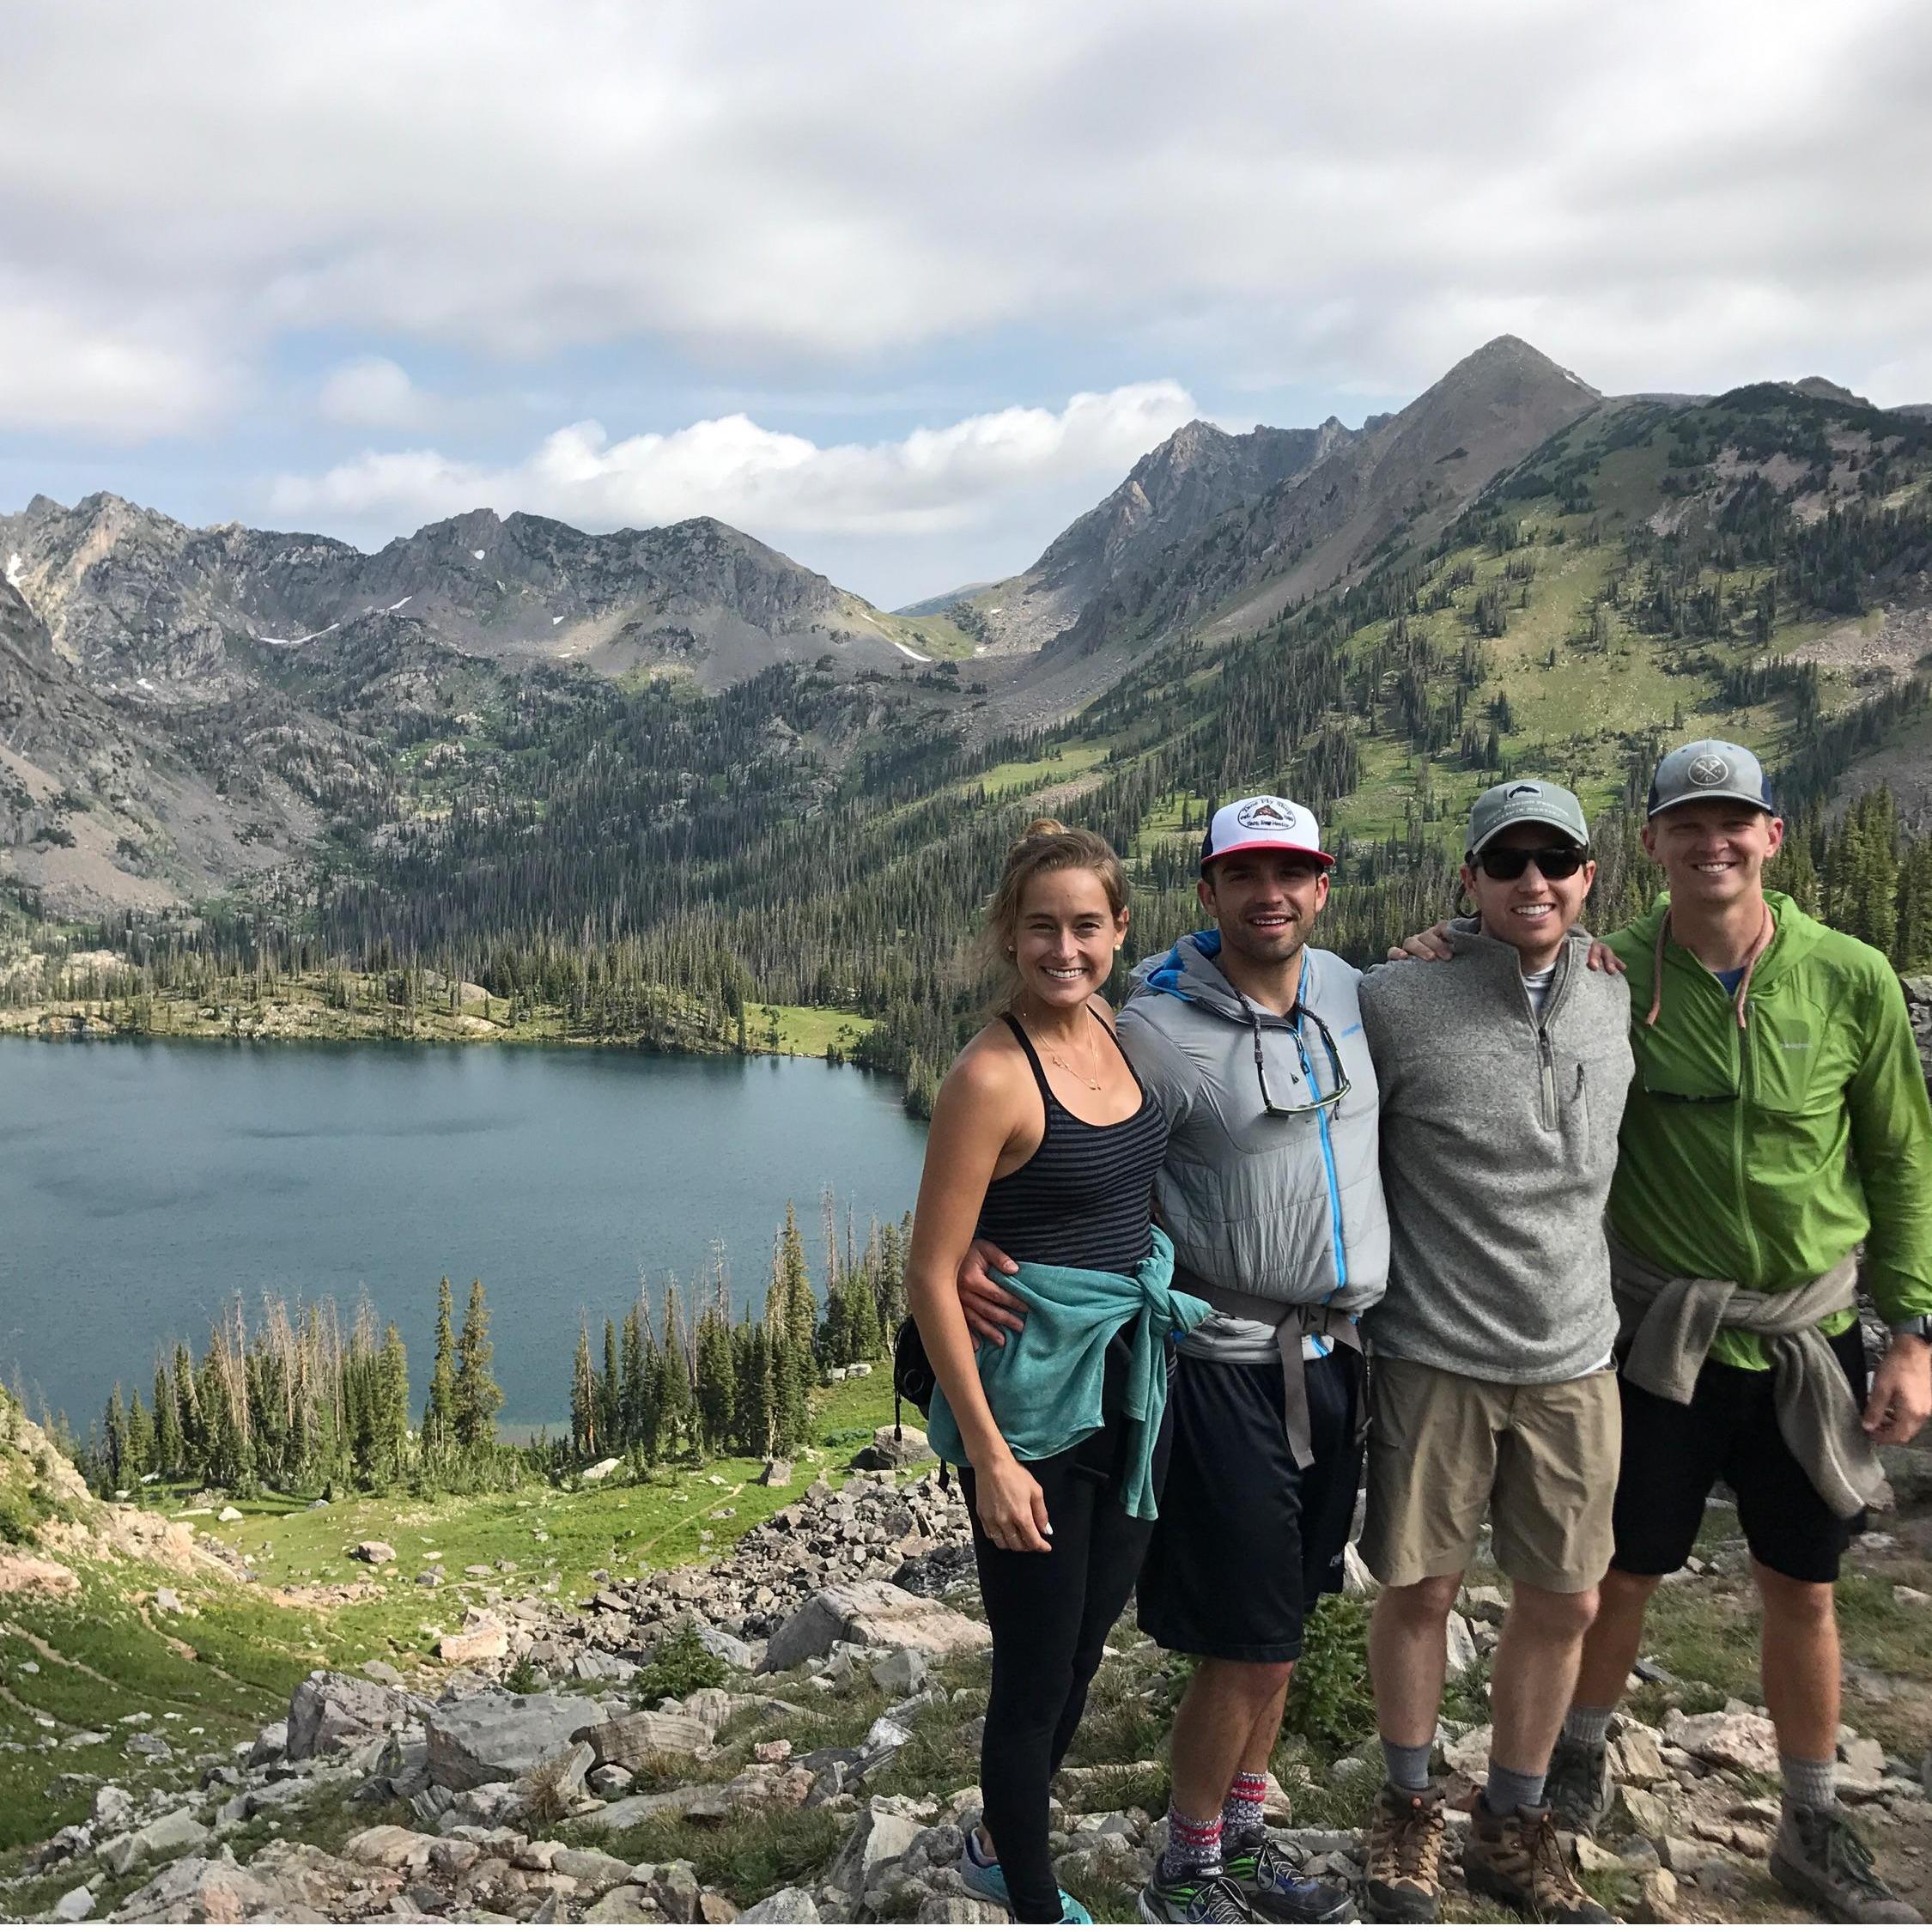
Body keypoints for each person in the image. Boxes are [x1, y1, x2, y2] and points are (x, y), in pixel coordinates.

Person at [1394, 739, 1932, 1923]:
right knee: (1614, 1571)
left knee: (1803, 1584)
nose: (1710, 843)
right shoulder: (1608, 971)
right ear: (1647, 847)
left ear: (1771, 835)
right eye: (1685, 824)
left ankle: (1808, 1816)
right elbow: (1508, 971)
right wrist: (1451, 941)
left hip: (1805, 1333)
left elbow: (1898, 1153)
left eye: (1732, 820)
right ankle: (1567, 1774)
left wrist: (1909, 1331)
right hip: (1653, 1336)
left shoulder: (1848, 976)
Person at [961, 796, 1386, 1926]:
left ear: (1322, 881)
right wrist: (966, 1250)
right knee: (1238, 1638)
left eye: (1291, 870)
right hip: (1212, 1367)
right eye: (1243, 874)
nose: (1269, 894)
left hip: (1331, 1356)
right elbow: (1025, 1147)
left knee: (1281, 1628)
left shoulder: (1345, 987)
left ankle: (1239, 1850)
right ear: (1206, 893)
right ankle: (1184, 1865)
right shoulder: (1151, 1018)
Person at [907, 818, 1212, 1927]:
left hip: (1129, 1388)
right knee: (1034, 1668)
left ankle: (1001, 1833)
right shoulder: (992, 1072)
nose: (1064, 948)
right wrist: (987, 1457)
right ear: (1007, 935)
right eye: (1042, 927)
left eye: (1087, 925)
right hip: (1032, 1405)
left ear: (1120, 930)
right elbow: (931, 1275)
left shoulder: (1123, 1033)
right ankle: (1029, 1898)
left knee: (1085, 1641)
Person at [1354, 781, 1630, 1926]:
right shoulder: (1390, 994)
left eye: (1553, 860)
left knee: (1564, 1597)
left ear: (1586, 874)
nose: (1532, 882)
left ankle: (1510, 1823)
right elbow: (1241, 988)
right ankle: (1409, 1805)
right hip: (1433, 1350)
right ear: (1465, 878)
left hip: (1575, 1354)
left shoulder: (1621, 988)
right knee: (1419, 1586)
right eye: (1505, 862)